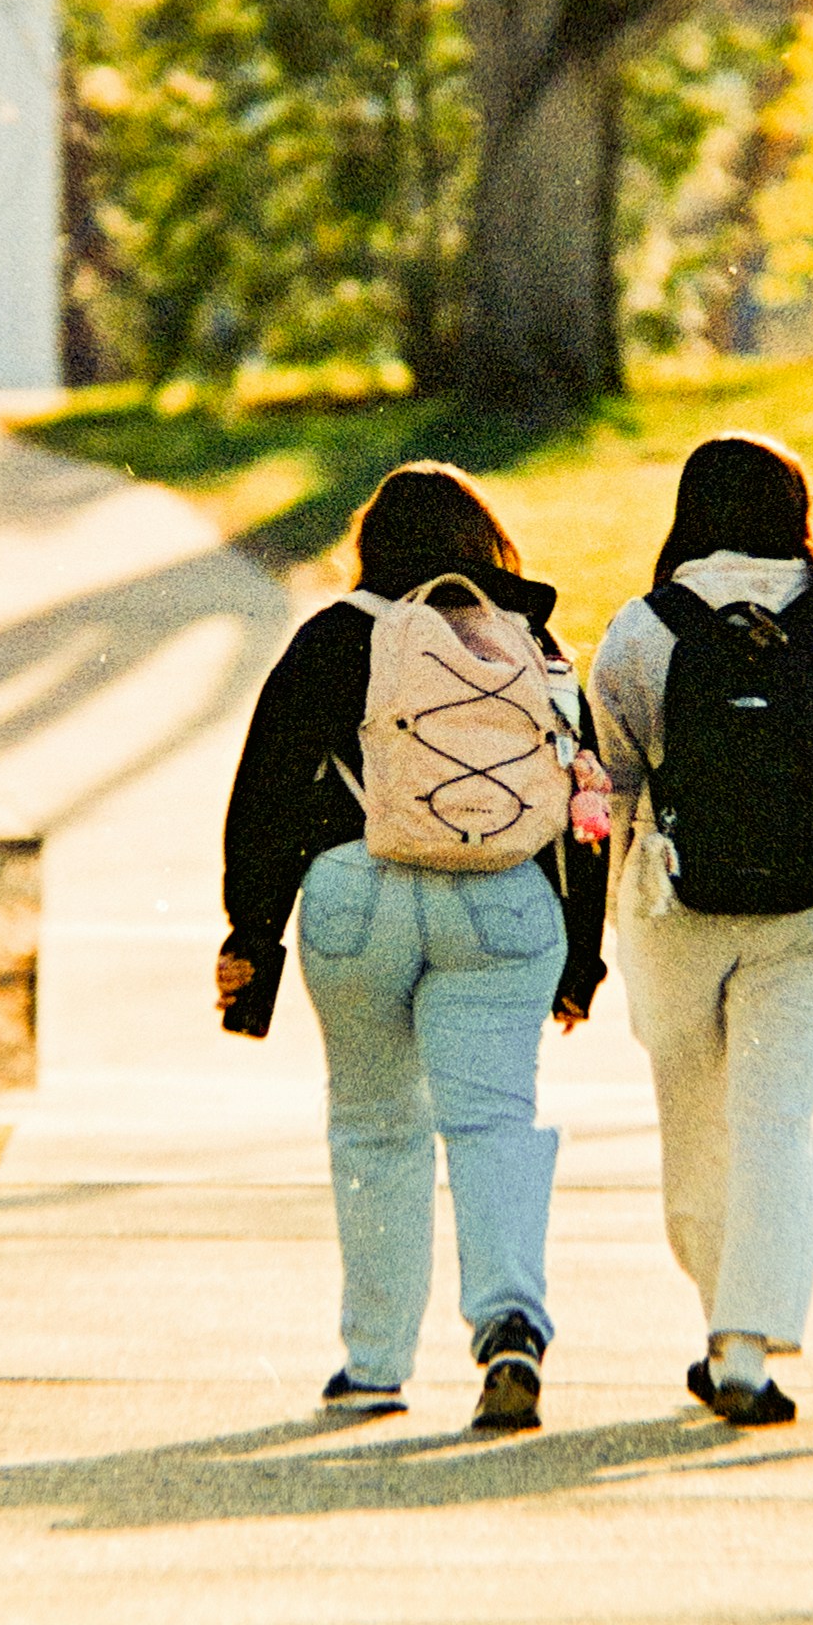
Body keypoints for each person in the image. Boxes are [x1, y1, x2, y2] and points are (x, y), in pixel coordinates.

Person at [216, 462, 607, 1433]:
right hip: (502, 903)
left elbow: (263, 792)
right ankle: (509, 1322)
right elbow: (584, 807)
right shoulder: (527, 641)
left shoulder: (335, 636)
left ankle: (374, 1361)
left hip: (356, 895)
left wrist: (251, 936)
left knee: (375, 1124)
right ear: (485, 543)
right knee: (492, 1121)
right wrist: (579, 955)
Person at [588, 434, 813, 1425]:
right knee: (779, 1116)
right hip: (812, 908)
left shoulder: (640, 631)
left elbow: (606, 788)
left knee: (693, 1119)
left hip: (671, 904)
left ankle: (719, 1319)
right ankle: (743, 1344)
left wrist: (599, 919)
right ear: (796, 510)